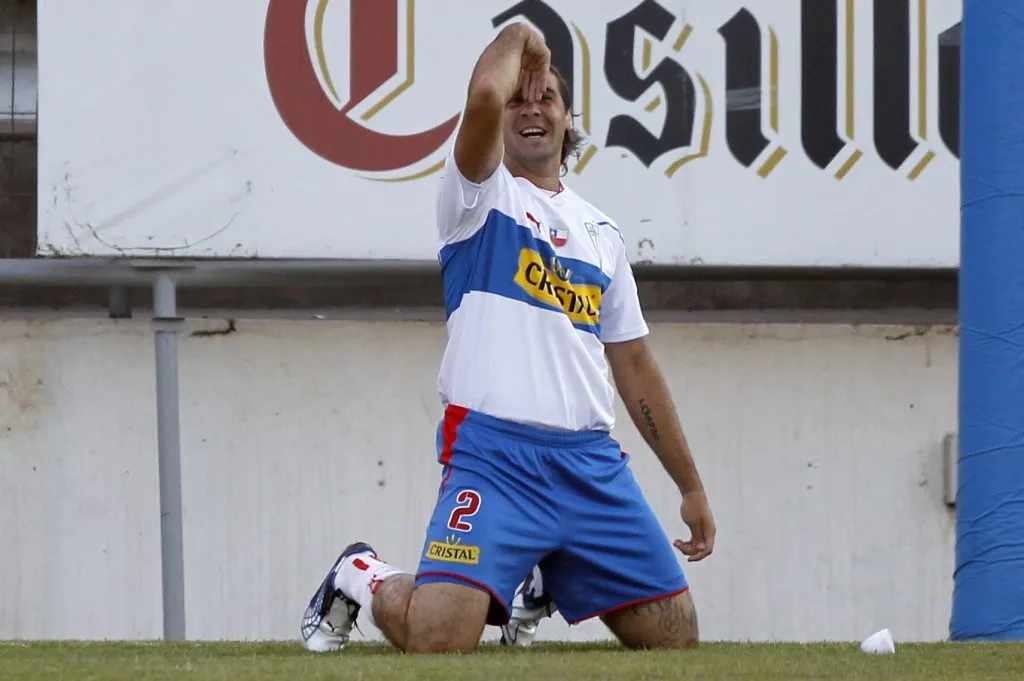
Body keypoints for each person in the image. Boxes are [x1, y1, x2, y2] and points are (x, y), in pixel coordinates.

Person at [299, 22, 716, 654]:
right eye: (521, 97)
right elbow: (485, 100)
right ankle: (362, 574)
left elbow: (633, 363)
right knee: (438, 641)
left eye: (547, 97)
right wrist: (525, 39)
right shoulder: (478, 197)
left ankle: (543, 568)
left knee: (675, 638)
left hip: (589, 465)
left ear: (568, 118)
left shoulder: (601, 233)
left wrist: (690, 486)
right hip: (496, 458)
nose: (531, 107)